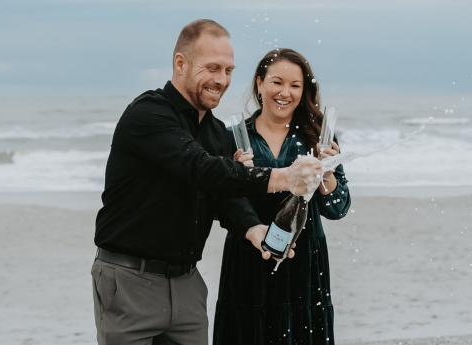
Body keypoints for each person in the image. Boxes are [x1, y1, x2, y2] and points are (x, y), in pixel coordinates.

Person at [92, 20, 322, 345]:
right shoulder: (149, 114)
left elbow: (223, 195)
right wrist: (284, 177)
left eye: (228, 70)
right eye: (212, 68)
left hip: (187, 285)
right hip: (130, 280)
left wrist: (252, 229)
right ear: (181, 63)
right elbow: (201, 169)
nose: (222, 80)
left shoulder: (215, 133)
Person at [213, 48, 351, 345]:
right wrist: (239, 175)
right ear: (260, 83)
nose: (284, 93)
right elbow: (222, 204)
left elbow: (338, 208)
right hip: (248, 257)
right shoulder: (235, 137)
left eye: (295, 86)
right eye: (277, 82)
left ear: (305, 91)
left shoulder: (318, 137)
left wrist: (326, 172)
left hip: (305, 259)